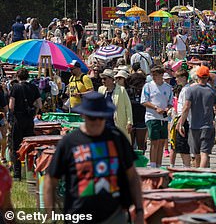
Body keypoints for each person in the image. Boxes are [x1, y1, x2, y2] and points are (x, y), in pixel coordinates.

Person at [44, 92, 144, 224]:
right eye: (92, 118)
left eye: (101, 117)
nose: (97, 122)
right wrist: (51, 216)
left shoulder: (117, 138)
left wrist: (139, 210)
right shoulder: (69, 143)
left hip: (114, 215)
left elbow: (132, 176)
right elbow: (50, 181)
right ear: (83, 115)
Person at [177, 66, 216, 168]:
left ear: (197, 76)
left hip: (194, 126)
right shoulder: (212, 92)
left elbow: (186, 108)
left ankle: (198, 173)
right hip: (207, 126)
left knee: (196, 154)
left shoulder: (190, 90)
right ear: (207, 77)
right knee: (205, 153)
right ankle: (201, 173)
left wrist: (181, 123)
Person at [8, 69, 41, 179]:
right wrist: (33, 113)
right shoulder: (33, 87)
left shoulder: (15, 87)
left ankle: (17, 173)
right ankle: (31, 171)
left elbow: (11, 106)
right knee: (30, 145)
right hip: (29, 119)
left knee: (16, 145)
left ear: (17, 76)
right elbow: (39, 104)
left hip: (18, 119)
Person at [141, 66, 173, 168]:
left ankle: (159, 164)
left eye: (156, 75)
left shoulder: (168, 87)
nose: (154, 77)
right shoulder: (148, 86)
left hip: (163, 118)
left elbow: (170, 102)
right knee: (154, 141)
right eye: (152, 75)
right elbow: (144, 101)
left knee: (161, 141)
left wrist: (167, 108)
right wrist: (156, 108)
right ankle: (153, 164)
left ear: (161, 75)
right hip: (152, 117)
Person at [98, 69, 133, 141]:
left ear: (111, 79)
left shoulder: (121, 90)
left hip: (117, 122)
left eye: (105, 79)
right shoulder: (101, 89)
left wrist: (129, 122)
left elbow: (128, 107)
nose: (102, 81)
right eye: (102, 79)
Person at [126, 65, 148, 153]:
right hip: (131, 120)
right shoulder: (128, 91)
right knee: (130, 144)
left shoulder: (145, 91)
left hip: (142, 120)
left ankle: (141, 161)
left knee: (141, 144)